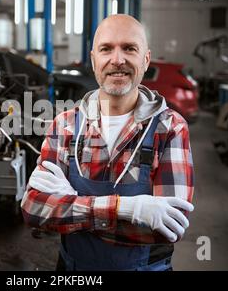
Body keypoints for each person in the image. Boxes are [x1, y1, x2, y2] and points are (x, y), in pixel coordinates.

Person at [21, 14, 195, 271]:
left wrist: (71, 205)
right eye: (106, 49)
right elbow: (34, 210)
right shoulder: (65, 125)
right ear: (94, 60)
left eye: (129, 48)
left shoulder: (170, 127)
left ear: (145, 59)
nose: (117, 60)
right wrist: (125, 209)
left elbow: (167, 229)